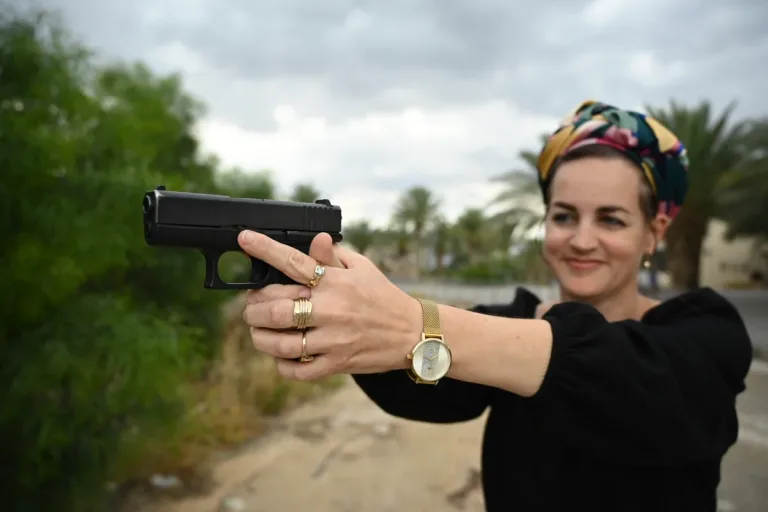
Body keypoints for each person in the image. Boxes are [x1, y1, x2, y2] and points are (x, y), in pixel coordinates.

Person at [238, 100, 755, 512]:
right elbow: (419, 387)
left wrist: (415, 324)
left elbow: (629, 378)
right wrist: (341, 314)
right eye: (564, 216)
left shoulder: (706, 335)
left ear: (654, 232)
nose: (582, 239)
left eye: (611, 220)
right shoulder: (507, 323)